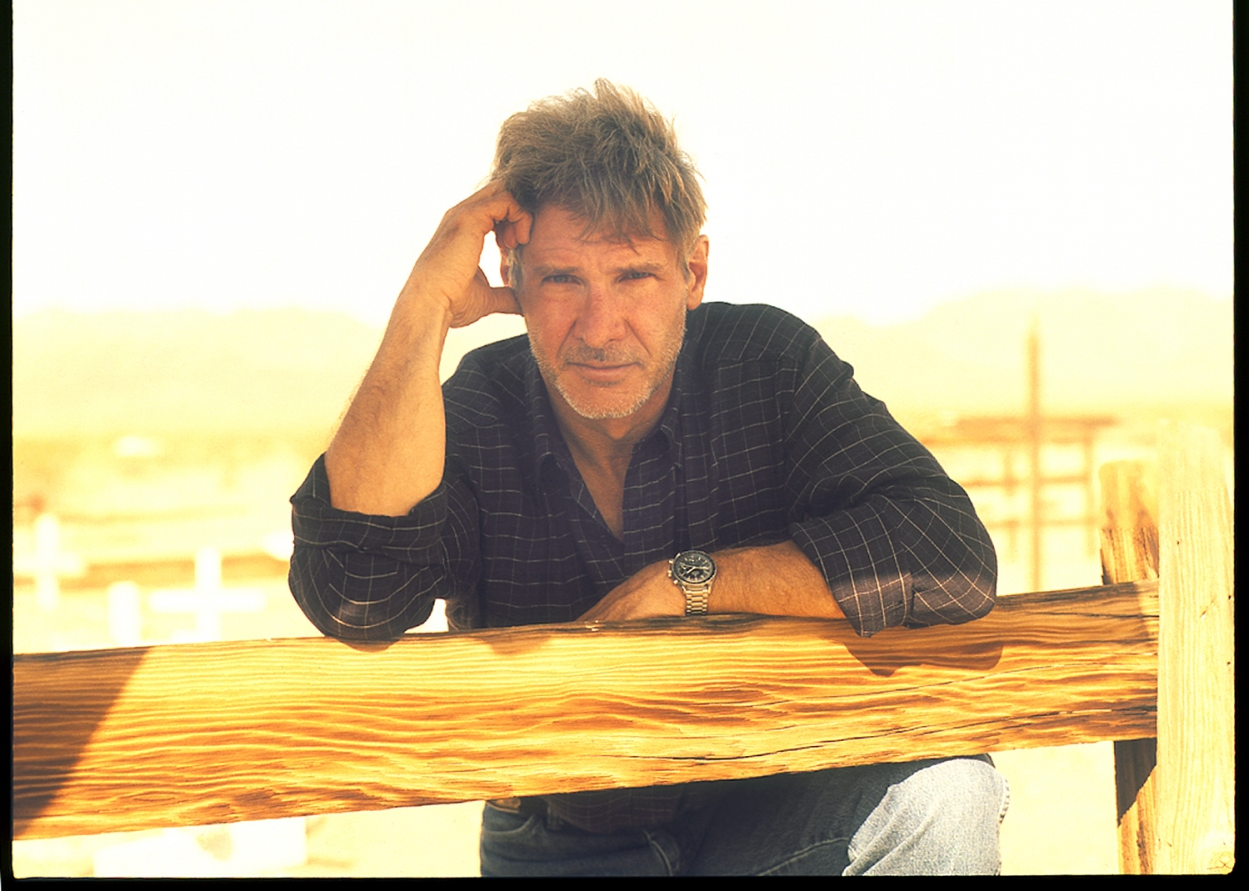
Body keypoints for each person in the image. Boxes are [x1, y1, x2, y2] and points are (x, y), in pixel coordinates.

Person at [289, 80, 1008, 876]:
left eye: (632, 276)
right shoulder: (477, 409)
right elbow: (355, 597)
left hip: (767, 811)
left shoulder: (764, 365)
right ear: (510, 276)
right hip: (561, 836)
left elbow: (948, 554)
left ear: (692, 273)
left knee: (946, 794)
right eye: (561, 279)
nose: (599, 330)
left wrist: (692, 581)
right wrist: (421, 305)